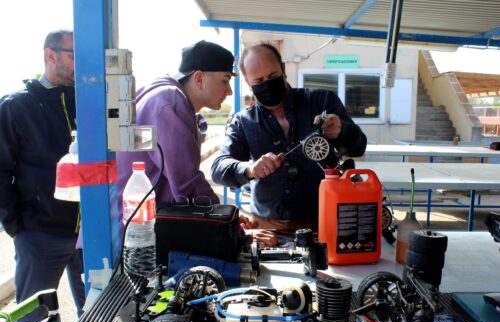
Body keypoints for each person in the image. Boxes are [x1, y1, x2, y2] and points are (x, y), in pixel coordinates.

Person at [0, 29, 85, 322]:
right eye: (74, 54)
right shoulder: (15, 105)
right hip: (40, 233)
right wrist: (17, 226)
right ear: (50, 55)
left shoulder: (89, 100)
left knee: (96, 313)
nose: (82, 62)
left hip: (87, 231)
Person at [211, 43, 367, 231]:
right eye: (259, 81)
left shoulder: (322, 101)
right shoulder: (243, 121)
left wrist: (343, 130)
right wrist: (249, 169)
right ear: (248, 84)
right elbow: (218, 168)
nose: (267, 84)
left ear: (283, 69)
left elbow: (359, 147)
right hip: (267, 228)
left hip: (325, 224)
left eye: (273, 76)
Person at [117, 40, 237, 206]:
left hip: (126, 219)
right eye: (225, 80)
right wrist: (226, 218)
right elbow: (187, 182)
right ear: (199, 78)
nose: (229, 91)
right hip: (133, 225)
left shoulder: (161, 94)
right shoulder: (169, 101)